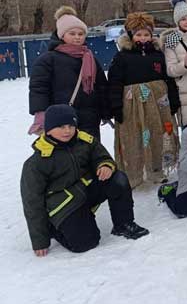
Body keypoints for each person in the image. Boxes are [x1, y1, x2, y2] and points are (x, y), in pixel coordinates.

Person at [21, 105, 149, 256]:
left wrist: (105, 165)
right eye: (61, 126)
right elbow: (32, 202)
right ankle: (53, 228)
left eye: (71, 125)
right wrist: (40, 240)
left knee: (118, 179)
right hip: (64, 204)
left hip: (86, 189)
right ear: (48, 129)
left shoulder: (85, 141)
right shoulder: (36, 162)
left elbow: (102, 157)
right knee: (86, 243)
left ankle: (123, 224)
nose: (67, 130)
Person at [107, 12, 181, 188]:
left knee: (158, 135)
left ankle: (157, 170)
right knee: (134, 137)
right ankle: (133, 174)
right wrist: (116, 106)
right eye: (139, 34)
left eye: (146, 34)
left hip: (158, 104)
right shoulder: (122, 57)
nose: (143, 38)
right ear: (131, 35)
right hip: (133, 105)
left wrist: (173, 99)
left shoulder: (157, 54)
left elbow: (168, 79)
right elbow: (115, 82)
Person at [28, 6, 110, 140]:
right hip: (61, 121)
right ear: (62, 35)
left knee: (90, 155)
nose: (77, 37)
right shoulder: (48, 59)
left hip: (90, 119)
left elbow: (101, 86)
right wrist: (41, 112)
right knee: (65, 158)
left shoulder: (89, 58)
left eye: (81, 34)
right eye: (72, 34)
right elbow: (39, 88)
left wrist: (106, 111)